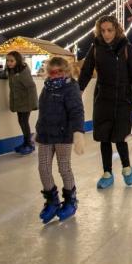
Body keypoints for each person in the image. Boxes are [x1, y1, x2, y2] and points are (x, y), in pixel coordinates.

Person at [79, 15, 132, 189]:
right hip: (103, 98)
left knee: (120, 137)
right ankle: (107, 173)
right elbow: (86, 71)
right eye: (103, 30)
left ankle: (127, 168)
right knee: (104, 137)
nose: (106, 34)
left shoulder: (126, 48)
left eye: (110, 30)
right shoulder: (96, 47)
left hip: (123, 98)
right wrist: (78, 90)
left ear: (117, 30)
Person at [35, 57, 84, 224]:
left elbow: (77, 110)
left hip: (63, 135)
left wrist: (77, 132)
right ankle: (52, 201)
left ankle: (70, 200)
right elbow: (43, 111)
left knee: (64, 168)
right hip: (46, 135)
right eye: (51, 72)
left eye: (58, 72)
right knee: (43, 168)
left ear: (66, 71)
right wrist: (39, 130)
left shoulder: (71, 87)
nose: (54, 75)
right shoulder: (47, 87)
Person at [0, 51, 38, 155]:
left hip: (26, 102)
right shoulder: (12, 70)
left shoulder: (23, 71)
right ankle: (26, 142)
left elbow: (31, 86)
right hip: (19, 101)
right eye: (7, 60)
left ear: (18, 60)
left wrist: (32, 103)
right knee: (21, 122)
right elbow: (6, 76)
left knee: (24, 122)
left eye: (12, 61)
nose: (9, 63)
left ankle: (29, 144)